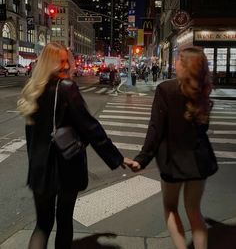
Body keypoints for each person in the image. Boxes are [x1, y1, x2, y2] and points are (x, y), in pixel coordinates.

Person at [17, 42, 132, 249]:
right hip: (65, 167)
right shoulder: (67, 88)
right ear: (48, 64)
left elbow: (31, 137)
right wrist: (117, 157)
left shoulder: (32, 90)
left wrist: (35, 164)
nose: (66, 66)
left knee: (42, 225)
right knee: (63, 221)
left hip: (40, 169)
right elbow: (90, 127)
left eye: (66, 60)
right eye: (59, 61)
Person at [130, 47, 218, 249]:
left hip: (173, 160)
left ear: (184, 65)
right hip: (198, 159)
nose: (175, 63)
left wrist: (142, 159)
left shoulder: (166, 90)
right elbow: (203, 127)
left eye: (178, 60)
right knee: (195, 211)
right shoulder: (203, 90)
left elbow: (155, 129)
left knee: (170, 208)